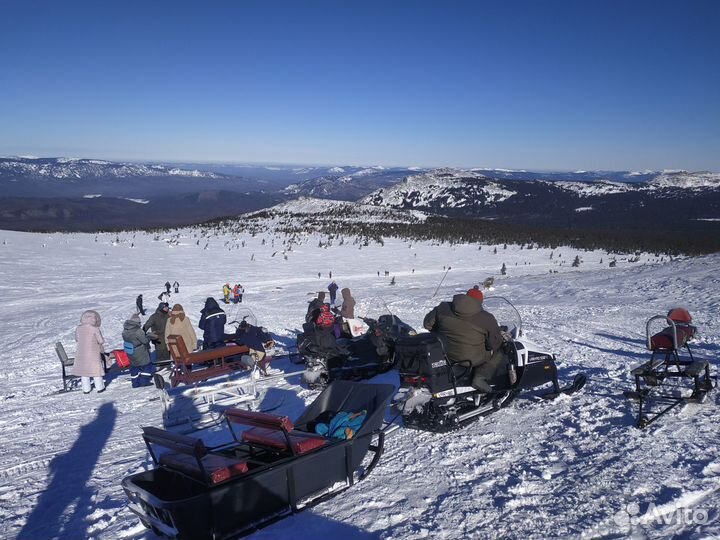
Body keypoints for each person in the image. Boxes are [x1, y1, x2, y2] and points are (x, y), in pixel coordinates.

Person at [423, 288, 503, 392]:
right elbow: (493, 344)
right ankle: (480, 377)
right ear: (480, 302)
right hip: (471, 360)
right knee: (499, 351)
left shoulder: (443, 307)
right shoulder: (487, 318)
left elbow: (427, 324)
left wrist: (441, 331)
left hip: (445, 354)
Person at [74, 310, 106, 394]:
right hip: (93, 352)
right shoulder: (94, 328)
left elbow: (77, 339)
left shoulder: (78, 328)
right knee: (96, 370)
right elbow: (101, 340)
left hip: (81, 352)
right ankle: (100, 387)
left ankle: (86, 389)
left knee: (84, 372)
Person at [123, 313, 154, 387]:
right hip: (139, 351)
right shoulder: (138, 331)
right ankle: (144, 382)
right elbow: (145, 341)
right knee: (146, 365)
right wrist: (149, 336)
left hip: (130, 351)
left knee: (134, 367)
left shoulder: (125, 330)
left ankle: (135, 383)